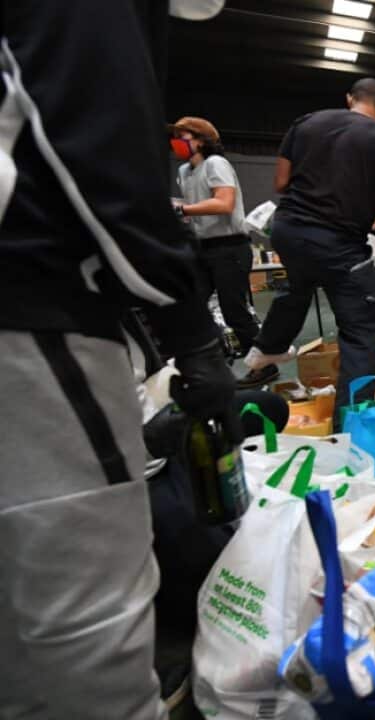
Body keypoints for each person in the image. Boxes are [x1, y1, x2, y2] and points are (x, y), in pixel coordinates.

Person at [1, 1, 236, 715]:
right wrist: (194, 335)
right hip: (31, 315)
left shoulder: (213, 165)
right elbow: (107, 163)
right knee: (91, 636)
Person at [238, 78, 375, 413]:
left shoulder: (306, 123)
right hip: (338, 244)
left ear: (349, 99)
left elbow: (281, 183)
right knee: (362, 334)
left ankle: (268, 347)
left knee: (299, 282)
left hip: (289, 231)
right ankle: (350, 425)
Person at [171, 116, 258, 356]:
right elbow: (196, 206)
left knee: (234, 311)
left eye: (183, 137)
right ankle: (213, 356)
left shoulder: (215, 164)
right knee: (193, 304)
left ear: (201, 141)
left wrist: (183, 210)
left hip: (229, 247)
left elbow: (224, 203)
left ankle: (263, 361)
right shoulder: (184, 171)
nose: (176, 142)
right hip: (203, 247)